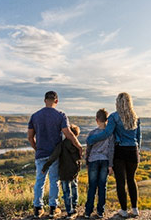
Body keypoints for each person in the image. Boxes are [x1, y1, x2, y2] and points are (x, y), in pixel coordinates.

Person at [28, 91, 83, 219]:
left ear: (44, 100)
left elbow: (30, 137)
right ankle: (53, 209)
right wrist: (78, 146)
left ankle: (38, 208)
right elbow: (68, 133)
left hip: (41, 153)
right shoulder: (60, 115)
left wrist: (37, 149)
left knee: (39, 181)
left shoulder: (35, 116)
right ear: (56, 101)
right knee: (54, 181)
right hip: (55, 154)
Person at [87, 93, 141, 218]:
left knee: (121, 182)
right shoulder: (135, 118)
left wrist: (91, 139)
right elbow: (138, 137)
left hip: (120, 151)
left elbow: (107, 133)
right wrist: (138, 151)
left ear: (118, 103)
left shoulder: (114, 117)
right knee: (132, 180)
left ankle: (123, 210)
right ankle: (135, 209)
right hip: (133, 151)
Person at [42, 124, 81, 219]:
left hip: (64, 171)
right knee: (74, 186)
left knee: (66, 191)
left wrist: (45, 167)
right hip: (74, 171)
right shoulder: (78, 146)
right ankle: (74, 204)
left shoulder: (61, 145)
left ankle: (69, 211)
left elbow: (53, 157)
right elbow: (79, 159)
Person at [85, 108, 115, 219]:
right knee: (102, 186)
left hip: (93, 160)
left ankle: (88, 211)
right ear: (107, 120)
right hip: (105, 161)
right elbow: (111, 150)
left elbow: (88, 149)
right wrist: (111, 165)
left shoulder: (92, 133)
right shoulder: (110, 135)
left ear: (96, 120)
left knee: (92, 187)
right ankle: (100, 211)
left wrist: (87, 161)